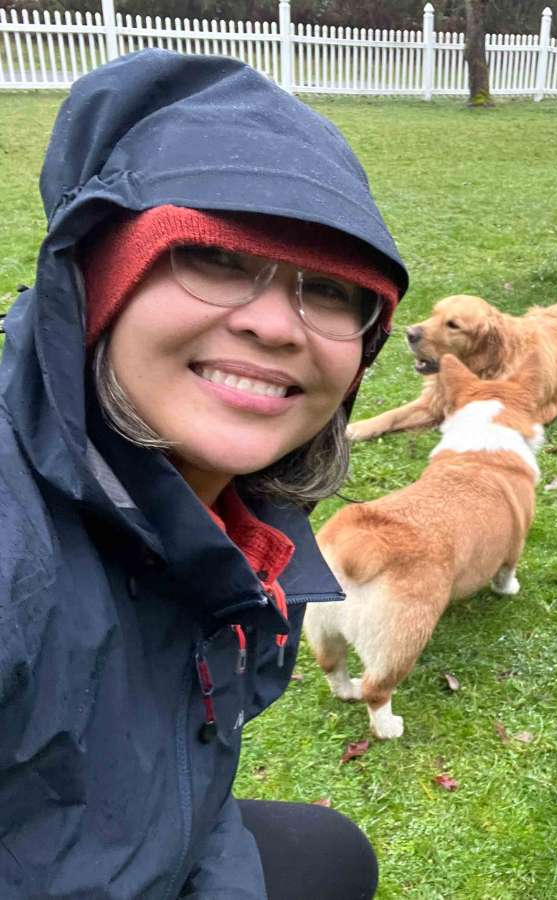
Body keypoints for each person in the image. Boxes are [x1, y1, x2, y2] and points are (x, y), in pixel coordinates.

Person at [0, 49, 407, 900]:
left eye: (329, 288)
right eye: (216, 258)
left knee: (332, 853)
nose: (274, 324)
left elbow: (190, 795)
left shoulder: (240, 526)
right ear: (99, 284)